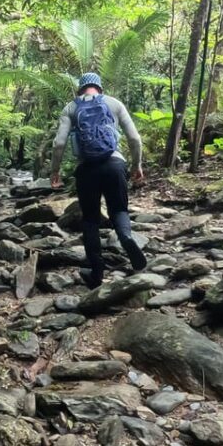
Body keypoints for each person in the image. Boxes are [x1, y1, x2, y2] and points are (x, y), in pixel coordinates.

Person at [50, 72, 147, 288]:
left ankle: (97, 273)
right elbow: (134, 138)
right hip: (115, 165)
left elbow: (59, 143)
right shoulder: (114, 103)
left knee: (90, 220)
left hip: (87, 170)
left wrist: (55, 171)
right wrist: (136, 165)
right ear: (100, 88)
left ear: (80, 89)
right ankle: (126, 238)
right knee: (118, 210)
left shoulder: (71, 108)